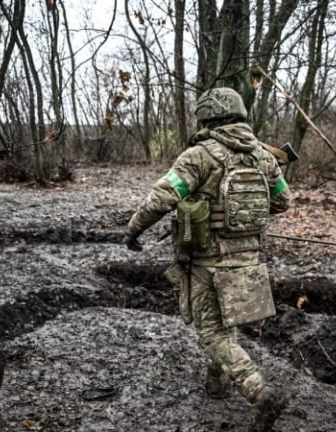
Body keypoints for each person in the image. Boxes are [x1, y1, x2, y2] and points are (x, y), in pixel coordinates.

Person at [124, 87, 291, 431]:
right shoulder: (265, 157)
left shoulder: (199, 156)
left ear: (208, 117)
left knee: (211, 332)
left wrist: (133, 230)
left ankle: (258, 391)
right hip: (249, 258)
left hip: (208, 261)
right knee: (225, 323)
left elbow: (163, 196)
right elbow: (283, 202)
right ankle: (216, 381)